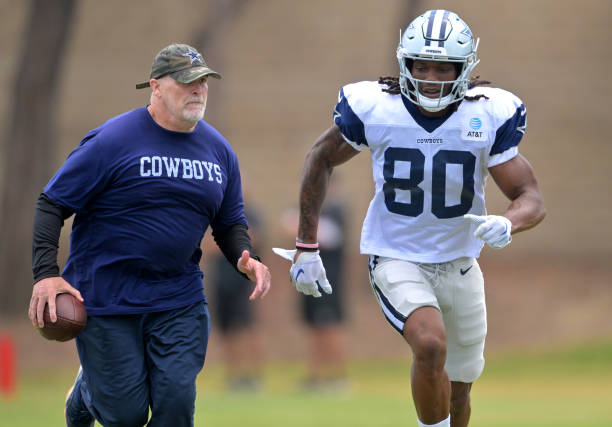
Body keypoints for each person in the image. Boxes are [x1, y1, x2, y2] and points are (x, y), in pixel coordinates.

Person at [274, 10, 545, 427]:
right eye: (422, 65)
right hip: (395, 255)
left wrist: (509, 221)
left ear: (464, 69)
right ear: (405, 64)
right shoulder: (377, 109)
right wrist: (306, 247)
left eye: (443, 68)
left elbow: (529, 196)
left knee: (459, 391)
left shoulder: (487, 114)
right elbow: (320, 159)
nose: (431, 77)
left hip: (459, 263)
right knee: (430, 345)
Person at [28, 43, 271, 427]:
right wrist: (45, 274)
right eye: (188, 82)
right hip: (107, 298)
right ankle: (88, 391)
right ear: (155, 87)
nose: (198, 91)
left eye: (203, 82)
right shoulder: (111, 141)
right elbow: (51, 204)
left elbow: (229, 222)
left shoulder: (218, 150)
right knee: (125, 416)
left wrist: (245, 255)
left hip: (179, 299)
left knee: (175, 408)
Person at [207, 205, 265, 391]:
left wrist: (225, 244)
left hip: (241, 282)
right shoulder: (214, 215)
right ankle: (234, 376)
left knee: (245, 328)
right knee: (227, 330)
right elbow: (206, 246)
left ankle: (253, 375)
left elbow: (254, 239)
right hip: (221, 282)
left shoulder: (249, 215)